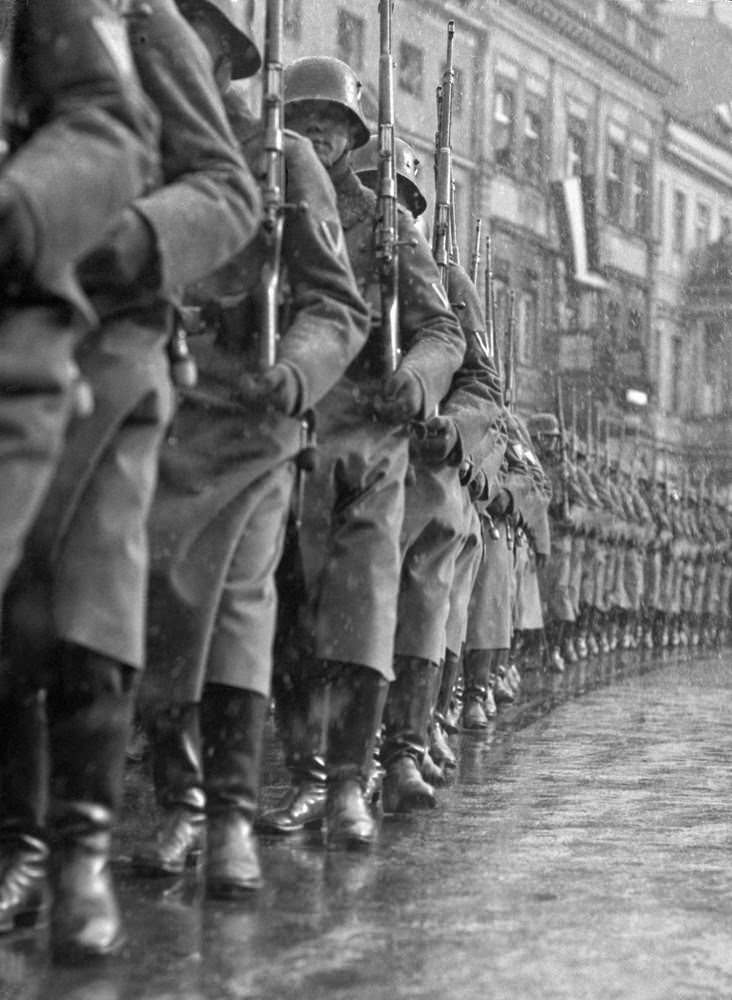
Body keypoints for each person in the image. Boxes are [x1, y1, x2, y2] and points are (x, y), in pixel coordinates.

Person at [0, 0, 260, 960]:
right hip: (20, 321)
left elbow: (225, 191)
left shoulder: (143, 22)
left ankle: (80, 853)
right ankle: (21, 843)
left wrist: (121, 239)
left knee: (89, 596)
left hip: (109, 339)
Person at [131, 0, 369, 895]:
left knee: (235, 609)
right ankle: (178, 800)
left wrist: (296, 369)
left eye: (185, 31)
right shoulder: (138, 144)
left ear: (226, 51)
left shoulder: (283, 157)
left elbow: (335, 303)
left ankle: (229, 815)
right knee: (154, 609)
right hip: (152, 416)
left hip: (254, 423)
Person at [258, 56, 465, 849]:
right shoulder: (266, 200)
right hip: (284, 430)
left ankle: (349, 781)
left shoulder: (385, 223)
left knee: (364, 608)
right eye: (303, 122)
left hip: (368, 435)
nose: (317, 137)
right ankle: (306, 775)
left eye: (331, 125)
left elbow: (442, 331)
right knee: (287, 615)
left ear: (352, 136)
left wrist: (415, 381)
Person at [351, 135, 505, 807]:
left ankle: (405, 750)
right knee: (342, 608)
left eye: (405, 200)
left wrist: (453, 429)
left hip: (423, 461)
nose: (390, 207)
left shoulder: (447, 281)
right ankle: (337, 764)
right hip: (348, 451)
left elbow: (482, 385)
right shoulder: (330, 241)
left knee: (418, 607)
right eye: (374, 190)